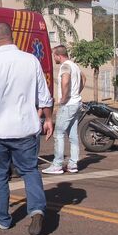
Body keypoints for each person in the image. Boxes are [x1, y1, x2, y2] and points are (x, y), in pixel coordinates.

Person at [0, 22, 54, 235]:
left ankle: (4, 219)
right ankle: (36, 209)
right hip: (26, 130)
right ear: (12, 36)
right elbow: (44, 97)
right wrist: (48, 119)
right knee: (30, 170)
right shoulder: (31, 61)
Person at [43, 45, 84, 175]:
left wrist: (64, 98)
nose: (53, 58)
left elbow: (65, 81)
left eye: (54, 55)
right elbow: (84, 78)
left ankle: (57, 165)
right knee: (73, 136)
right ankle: (73, 164)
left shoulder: (65, 66)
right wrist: (76, 92)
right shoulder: (75, 66)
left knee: (58, 134)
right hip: (77, 103)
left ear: (59, 56)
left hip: (68, 105)